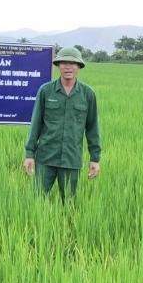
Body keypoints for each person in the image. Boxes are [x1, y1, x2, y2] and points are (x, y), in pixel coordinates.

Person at [23, 46, 101, 202]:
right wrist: (29, 154)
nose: (68, 66)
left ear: (79, 66)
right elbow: (36, 124)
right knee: (36, 200)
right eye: (64, 62)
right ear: (58, 65)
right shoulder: (46, 91)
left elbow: (93, 128)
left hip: (71, 159)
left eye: (72, 63)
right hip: (45, 157)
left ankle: (67, 226)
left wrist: (95, 158)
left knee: (69, 202)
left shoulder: (87, 94)